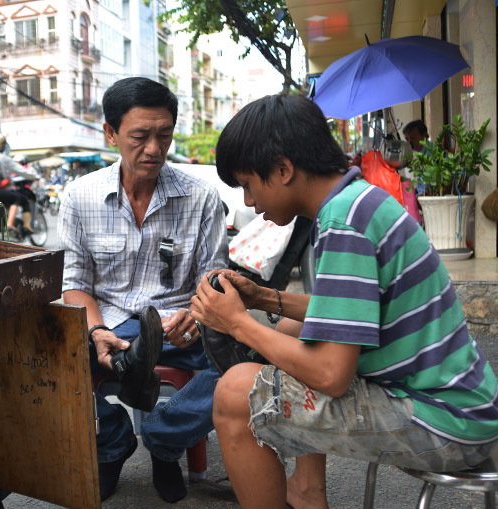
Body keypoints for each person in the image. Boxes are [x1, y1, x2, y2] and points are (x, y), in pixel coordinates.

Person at [190, 94, 498, 509]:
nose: (248, 202)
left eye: (248, 184)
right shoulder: (357, 201)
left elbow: (331, 374)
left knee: (233, 394)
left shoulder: (343, 222)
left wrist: (238, 323)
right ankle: (307, 489)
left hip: (441, 421)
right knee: (292, 328)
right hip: (466, 403)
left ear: (283, 169)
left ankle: (301, 491)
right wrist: (265, 298)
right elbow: (349, 310)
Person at [57, 77, 228, 502]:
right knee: (39, 353)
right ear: (111, 133)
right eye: (140, 136)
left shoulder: (201, 197)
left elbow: (214, 277)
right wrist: (96, 333)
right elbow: (75, 285)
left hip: (180, 326)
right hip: (110, 325)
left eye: (164, 135)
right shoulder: (79, 197)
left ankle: (163, 438)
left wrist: (197, 311)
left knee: (248, 355)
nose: (154, 148)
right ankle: (114, 442)